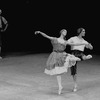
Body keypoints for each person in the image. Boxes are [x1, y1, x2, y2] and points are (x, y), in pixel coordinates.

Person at [35, 29, 86, 94]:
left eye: (66, 32)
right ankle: (60, 86)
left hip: (62, 55)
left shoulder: (65, 41)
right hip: (55, 55)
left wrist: (83, 43)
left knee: (69, 57)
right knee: (57, 72)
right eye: (64, 31)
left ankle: (74, 58)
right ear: (61, 32)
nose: (65, 32)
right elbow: (46, 36)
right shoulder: (54, 39)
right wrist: (40, 32)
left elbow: (74, 43)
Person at [67, 28, 93, 92]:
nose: (85, 32)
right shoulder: (73, 38)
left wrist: (89, 45)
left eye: (84, 31)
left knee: (82, 55)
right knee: (73, 70)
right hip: (73, 54)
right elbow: (67, 43)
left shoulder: (84, 41)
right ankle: (75, 85)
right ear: (80, 32)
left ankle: (85, 57)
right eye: (83, 31)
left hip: (80, 53)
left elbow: (91, 48)